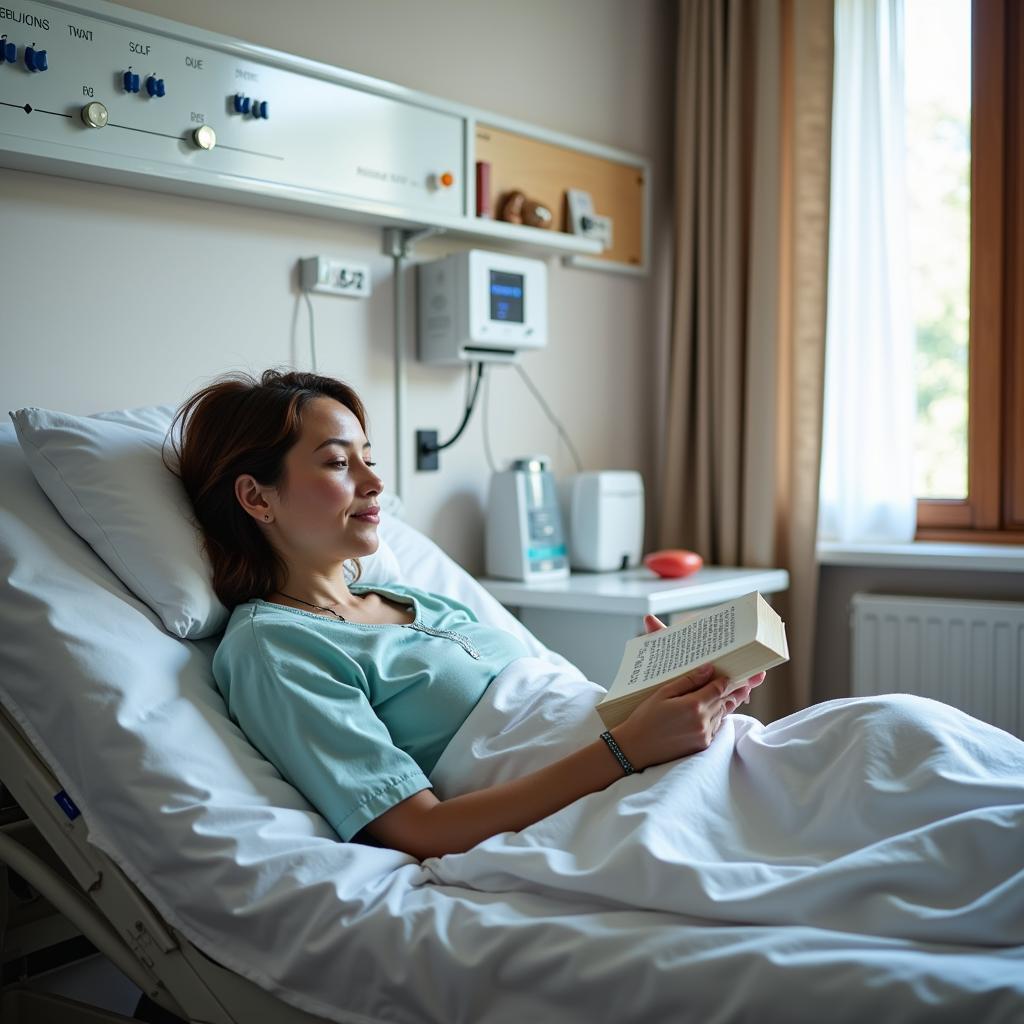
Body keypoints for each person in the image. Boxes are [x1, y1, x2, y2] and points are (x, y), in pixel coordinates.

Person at [166, 368, 766, 861]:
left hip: (649, 761)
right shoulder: (273, 646)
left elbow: (548, 713)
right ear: (255, 497)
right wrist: (630, 747)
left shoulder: (417, 602)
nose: (375, 482)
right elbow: (425, 830)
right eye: (338, 463)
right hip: (609, 806)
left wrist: (668, 690)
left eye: (368, 457)